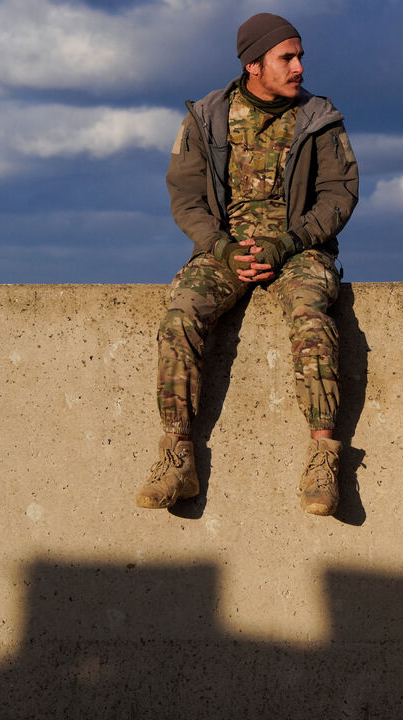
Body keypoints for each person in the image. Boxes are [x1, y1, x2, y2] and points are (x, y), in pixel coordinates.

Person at [136, 13, 359, 516]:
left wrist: (288, 242)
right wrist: (222, 249)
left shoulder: (320, 117)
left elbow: (340, 195)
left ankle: (324, 457)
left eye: (300, 55)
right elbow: (186, 198)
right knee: (180, 317)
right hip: (225, 249)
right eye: (287, 57)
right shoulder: (207, 117)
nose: (299, 66)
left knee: (311, 317)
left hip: (300, 249)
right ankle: (177, 458)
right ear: (254, 64)